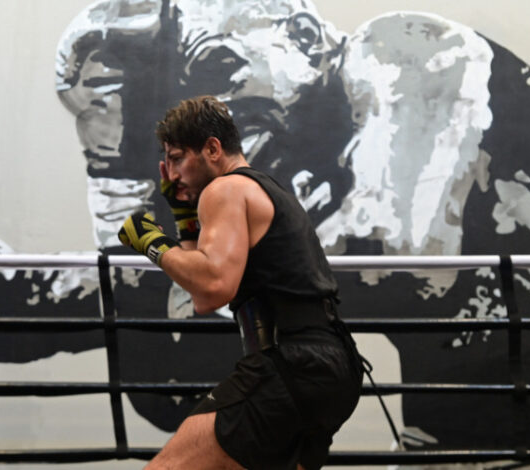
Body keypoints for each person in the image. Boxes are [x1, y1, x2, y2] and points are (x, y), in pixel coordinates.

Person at [118, 95, 363, 470]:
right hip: (330, 368)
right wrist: (183, 212)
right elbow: (203, 298)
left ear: (212, 149)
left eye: (178, 157)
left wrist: (152, 243)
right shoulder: (264, 188)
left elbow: (215, 285)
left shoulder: (226, 190)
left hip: (291, 363)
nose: (172, 172)